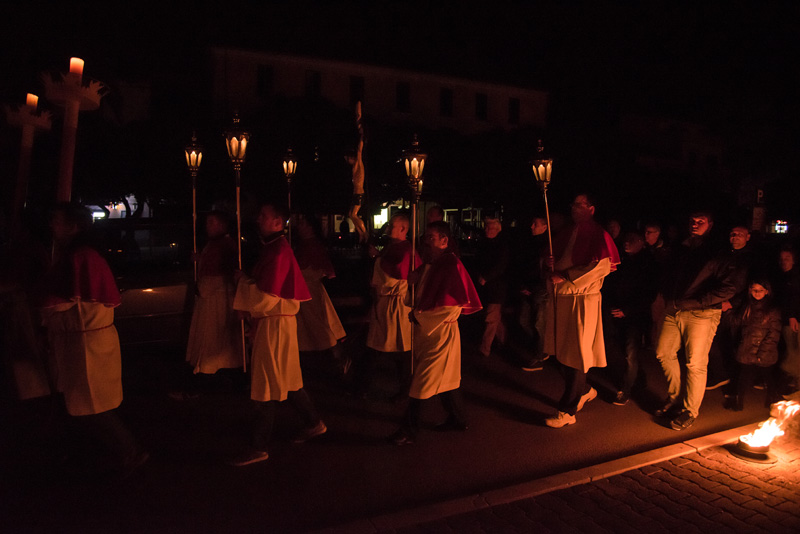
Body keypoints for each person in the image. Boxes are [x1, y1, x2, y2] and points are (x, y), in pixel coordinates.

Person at [41, 202, 147, 477]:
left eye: (57, 221)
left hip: (87, 344)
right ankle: (91, 453)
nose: (52, 226)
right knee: (81, 402)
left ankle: (130, 452)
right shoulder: (76, 254)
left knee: (92, 404)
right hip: (80, 341)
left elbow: (61, 301)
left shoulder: (82, 257)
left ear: (73, 227)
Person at [230, 203, 326, 466]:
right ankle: (314, 423)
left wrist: (241, 282)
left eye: (264, 216)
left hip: (274, 325)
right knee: (288, 378)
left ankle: (258, 445)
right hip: (277, 323)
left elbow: (266, 297)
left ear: (277, 222)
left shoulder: (279, 251)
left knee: (264, 382)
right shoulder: (273, 248)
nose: (258, 219)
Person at [391, 221, 482, 444]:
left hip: (441, 334)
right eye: (426, 237)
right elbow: (417, 299)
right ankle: (458, 419)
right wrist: (411, 284)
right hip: (428, 333)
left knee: (421, 382)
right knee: (446, 381)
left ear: (444, 241)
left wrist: (420, 317)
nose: (426, 242)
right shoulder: (428, 265)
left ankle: (409, 430)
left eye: (431, 238)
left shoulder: (451, 265)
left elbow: (452, 305)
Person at [654, 211, 741, 430]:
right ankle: (674, 398)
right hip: (674, 308)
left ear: (710, 225)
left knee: (695, 363)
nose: (695, 224)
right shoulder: (682, 247)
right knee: (664, 352)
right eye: (692, 221)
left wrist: (697, 302)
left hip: (701, 313)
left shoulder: (717, 251)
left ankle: (690, 411)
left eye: (700, 221)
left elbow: (728, 287)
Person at [543, 194, 620, 428]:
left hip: (581, 299)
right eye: (573, 204)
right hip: (562, 299)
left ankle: (568, 411)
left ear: (591, 208)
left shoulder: (599, 234)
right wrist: (550, 264)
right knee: (560, 352)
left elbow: (601, 266)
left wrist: (566, 275)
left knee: (576, 354)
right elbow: (558, 260)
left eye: (579, 205)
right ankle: (584, 390)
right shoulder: (567, 232)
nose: (574, 208)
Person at [361, 212, 421, 396]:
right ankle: (362, 386)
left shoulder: (407, 249)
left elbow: (393, 275)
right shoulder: (390, 247)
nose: (388, 228)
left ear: (403, 228)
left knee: (399, 350)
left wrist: (377, 259)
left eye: (392, 225)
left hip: (397, 305)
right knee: (374, 347)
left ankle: (405, 390)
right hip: (383, 303)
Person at [184, 211, 243, 382]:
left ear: (222, 225)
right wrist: (200, 259)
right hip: (212, 297)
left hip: (218, 299)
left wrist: (202, 286)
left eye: (211, 222)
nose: (207, 226)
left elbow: (217, 273)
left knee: (215, 337)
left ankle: (215, 374)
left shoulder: (224, 245)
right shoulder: (215, 244)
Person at [602, 231, 657, 405]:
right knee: (616, 348)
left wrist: (627, 310)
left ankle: (626, 389)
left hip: (635, 316)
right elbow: (610, 284)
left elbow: (649, 293)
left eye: (632, 240)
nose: (627, 243)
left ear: (641, 242)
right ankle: (636, 378)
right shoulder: (622, 260)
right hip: (615, 312)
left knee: (630, 352)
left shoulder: (648, 263)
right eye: (626, 240)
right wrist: (610, 305)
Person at [294, 215, 348, 373]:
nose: (299, 226)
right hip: (304, 292)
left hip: (310, 293)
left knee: (320, 327)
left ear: (310, 227)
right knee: (311, 328)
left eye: (303, 223)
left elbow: (314, 270)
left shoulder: (313, 246)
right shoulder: (304, 245)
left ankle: (338, 360)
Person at [706, 225, 753, 392]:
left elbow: (752, 284)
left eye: (740, 234)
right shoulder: (723, 255)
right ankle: (722, 375)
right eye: (733, 234)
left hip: (737, 308)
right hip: (720, 304)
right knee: (716, 341)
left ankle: (733, 382)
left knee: (733, 345)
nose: (735, 236)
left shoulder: (751, 259)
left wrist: (733, 302)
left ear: (747, 237)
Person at [724, 279, 781, 411]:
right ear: (750, 291)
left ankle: (772, 398)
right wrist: (727, 311)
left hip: (764, 350)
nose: (757, 293)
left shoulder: (772, 310)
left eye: (760, 290)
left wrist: (763, 352)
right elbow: (737, 321)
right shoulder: (748, 307)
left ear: (766, 291)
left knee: (768, 376)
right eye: (754, 290)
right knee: (742, 377)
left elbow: (774, 333)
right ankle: (738, 402)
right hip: (747, 347)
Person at [514, 216, 550, 370]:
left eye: (535, 224)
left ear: (544, 227)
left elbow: (543, 269)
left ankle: (538, 356)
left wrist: (536, 286)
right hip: (526, 287)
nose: (532, 226)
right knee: (523, 320)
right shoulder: (528, 243)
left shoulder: (547, 246)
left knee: (538, 323)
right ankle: (539, 347)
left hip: (539, 289)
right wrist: (522, 285)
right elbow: (522, 265)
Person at [474, 215, 510, 358]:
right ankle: (503, 340)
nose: (487, 230)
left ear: (497, 229)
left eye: (490, 228)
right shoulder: (484, 244)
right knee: (494, 317)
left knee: (491, 317)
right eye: (486, 227)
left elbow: (500, 265)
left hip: (497, 287)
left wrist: (486, 277)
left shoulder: (502, 245)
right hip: (486, 287)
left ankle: (485, 348)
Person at [775, 247, 800, 395]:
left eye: (787, 258)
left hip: (793, 321)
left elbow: (795, 297)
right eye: (782, 259)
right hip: (785, 320)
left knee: (794, 352)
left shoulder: (795, 277)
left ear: (793, 260)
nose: (783, 261)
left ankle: (795, 384)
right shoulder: (781, 277)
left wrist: (792, 315)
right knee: (791, 351)